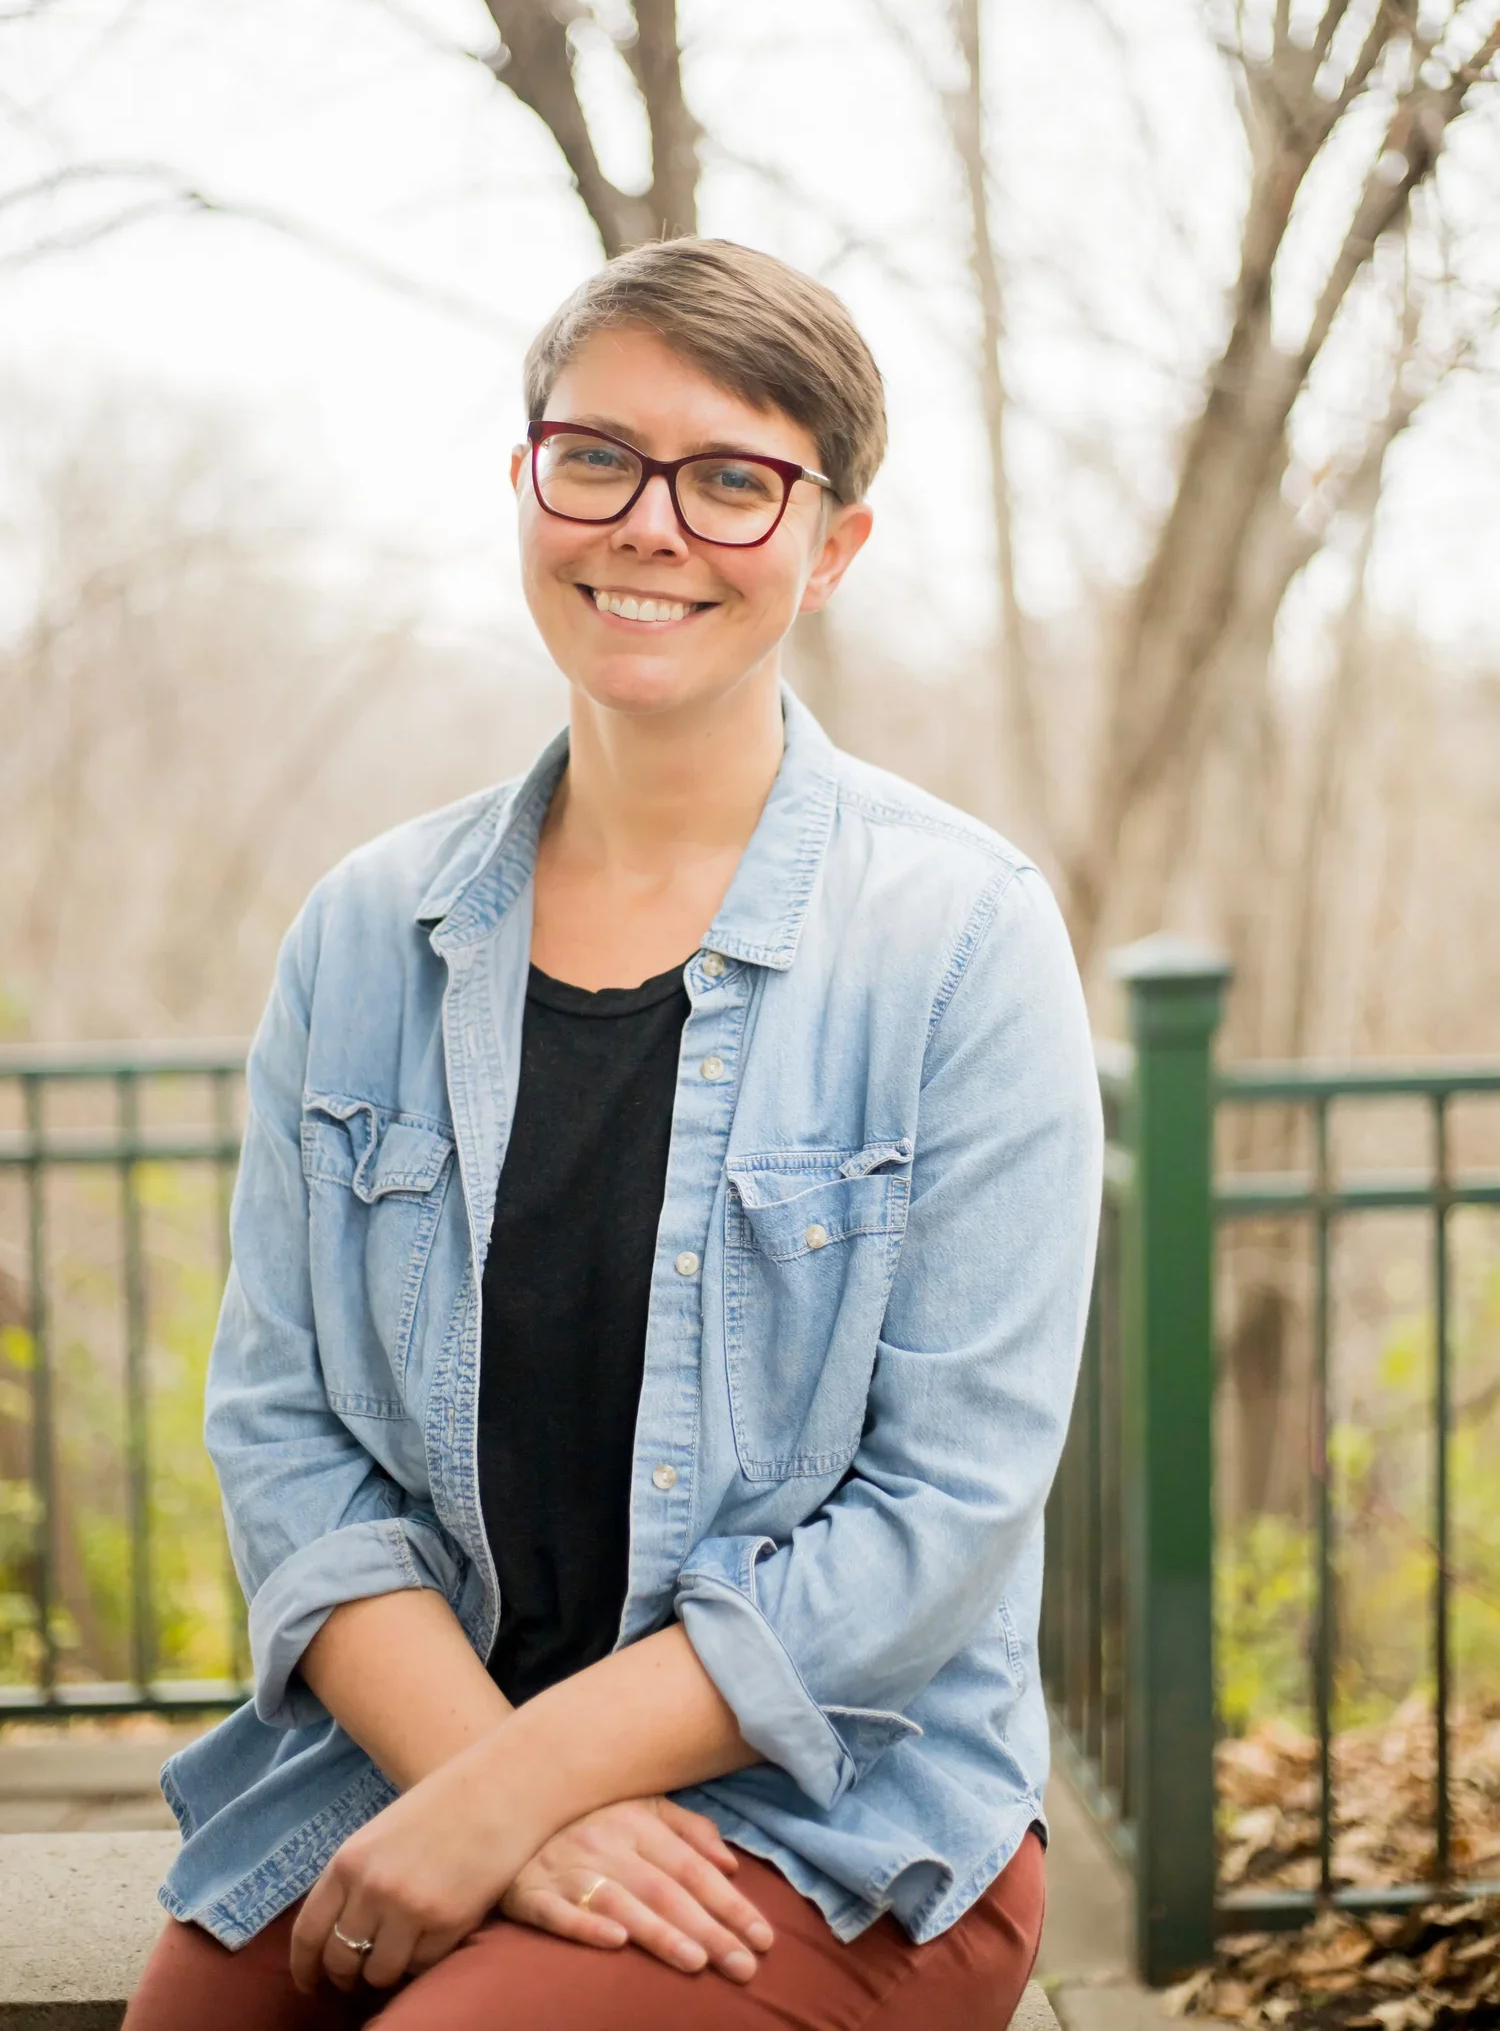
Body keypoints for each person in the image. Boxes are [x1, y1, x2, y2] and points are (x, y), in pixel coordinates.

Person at [125, 238, 1102, 2031]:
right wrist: (492, 1789)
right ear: (528, 484)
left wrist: (512, 1795)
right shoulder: (365, 931)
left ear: (833, 545)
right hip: (407, 1760)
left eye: (736, 480)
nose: (652, 525)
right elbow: (284, 1436)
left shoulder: (963, 936)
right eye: (600, 457)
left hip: (830, 1814)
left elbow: (943, 1509)